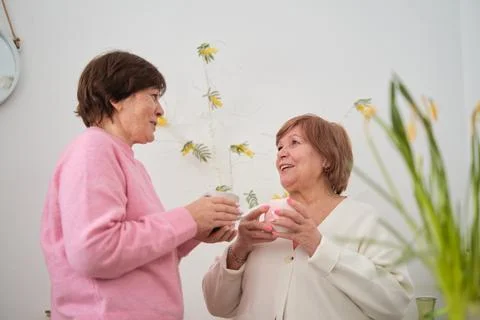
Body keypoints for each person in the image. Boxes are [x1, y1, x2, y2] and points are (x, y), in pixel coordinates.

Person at [40, 50, 240, 320]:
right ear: (115, 98)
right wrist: (188, 218)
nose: (160, 110)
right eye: (154, 96)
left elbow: (136, 253)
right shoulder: (94, 148)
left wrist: (194, 230)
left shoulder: (125, 161)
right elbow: (95, 251)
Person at [202, 114, 414, 319]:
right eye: (279, 147)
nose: (281, 153)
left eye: (294, 142)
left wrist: (319, 246)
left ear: (327, 159)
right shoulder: (258, 218)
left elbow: (395, 304)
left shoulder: (363, 220)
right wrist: (240, 247)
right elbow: (217, 306)